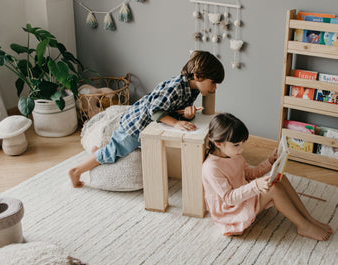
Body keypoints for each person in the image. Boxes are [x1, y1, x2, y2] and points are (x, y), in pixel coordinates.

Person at [69, 50, 225, 188]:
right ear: (197, 76)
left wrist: (185, 114)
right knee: (112, 152)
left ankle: (96, 152)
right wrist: (176, 123)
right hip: (135, 126)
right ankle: (77, 171)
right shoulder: (175, 88)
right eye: (213, 83)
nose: (214, 89)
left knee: (118, 149)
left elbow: (172, 108)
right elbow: (156, 112)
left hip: (148, 126)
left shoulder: (193, 88)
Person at [202, 113, 333, 241]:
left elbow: (248, 174)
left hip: (244, 195)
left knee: (281, 178)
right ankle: (303, 226)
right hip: (231, 211)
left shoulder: (233, 154)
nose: (241, 149)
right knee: (274, 189)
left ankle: (308, 218)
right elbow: (229, 199)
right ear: (218, 143)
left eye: (242, 143)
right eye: (237, 145)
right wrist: (255, 186)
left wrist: (269, 162)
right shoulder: (211, 168)